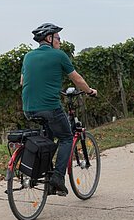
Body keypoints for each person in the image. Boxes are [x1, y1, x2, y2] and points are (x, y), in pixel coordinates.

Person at [20, 22, 97, 196]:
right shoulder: (59, 55)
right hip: (50, 107)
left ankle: (43, 173)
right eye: (58, 38)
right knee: (66, 138)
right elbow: (77, 79)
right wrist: (90, 91)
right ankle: (57, 177)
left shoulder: (28, 56)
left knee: (48, 139)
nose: (60, 42)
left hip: (29, 108)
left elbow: (23, 82)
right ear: (49, 38)